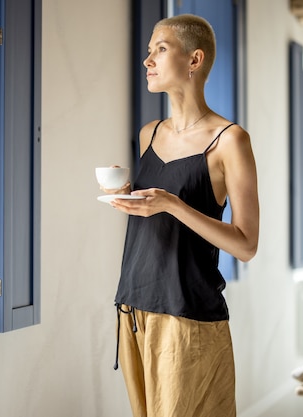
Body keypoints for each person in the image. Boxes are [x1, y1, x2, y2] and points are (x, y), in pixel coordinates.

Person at [107, 14, 259, 417]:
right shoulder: (149, 133)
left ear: (194, 61)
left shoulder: (230, 140)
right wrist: (133, 198)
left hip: (188, 315)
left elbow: (245, 245)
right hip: (134, 307)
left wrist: (173, 203)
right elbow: (156, 215)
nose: (148, 61)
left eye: (160, 49)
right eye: (148, 50)